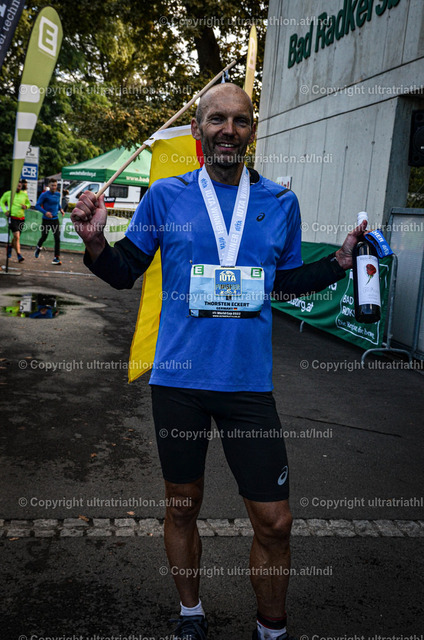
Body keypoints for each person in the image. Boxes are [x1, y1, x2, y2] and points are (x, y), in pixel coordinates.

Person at [71, 83, 366, 640]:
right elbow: (124, 270)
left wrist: (339, 263)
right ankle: (191, 614)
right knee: (183, 507)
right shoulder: (166, 196)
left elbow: (284, 282)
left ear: (252, 130)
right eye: (217, 119)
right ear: (198, 129)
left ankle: (271, 629)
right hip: (178, 382)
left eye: (241, 120)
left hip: (247, 386)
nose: (229, 130)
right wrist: (94, 242)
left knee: (275, 522)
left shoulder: (280, 202)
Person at [34, 178, 65, 265]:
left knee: (57, 238)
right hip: (46, 220)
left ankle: (56, 258)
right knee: (44, 236)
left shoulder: (58, 194)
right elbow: (37, 205)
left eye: (55, 185)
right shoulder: (44, 195)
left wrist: (61, 209)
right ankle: (38, 247)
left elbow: (57, 203)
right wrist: (45, 212)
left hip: (55, 219)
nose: (54, 187)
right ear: (49, 185)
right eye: (52, 185)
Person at [0, 180, 31, 262]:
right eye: (17, 186)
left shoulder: (24, 194)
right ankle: (19, 255)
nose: (18, 187)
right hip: (12, 217)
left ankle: (10, 246)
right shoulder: (8, 193)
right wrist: (5, 211)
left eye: (20, 186)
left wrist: (26, 206)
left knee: (17, 237)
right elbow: (1, 202)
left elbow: (28, 203)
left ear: (21, 187)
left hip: (21, 218)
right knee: (17, 236)